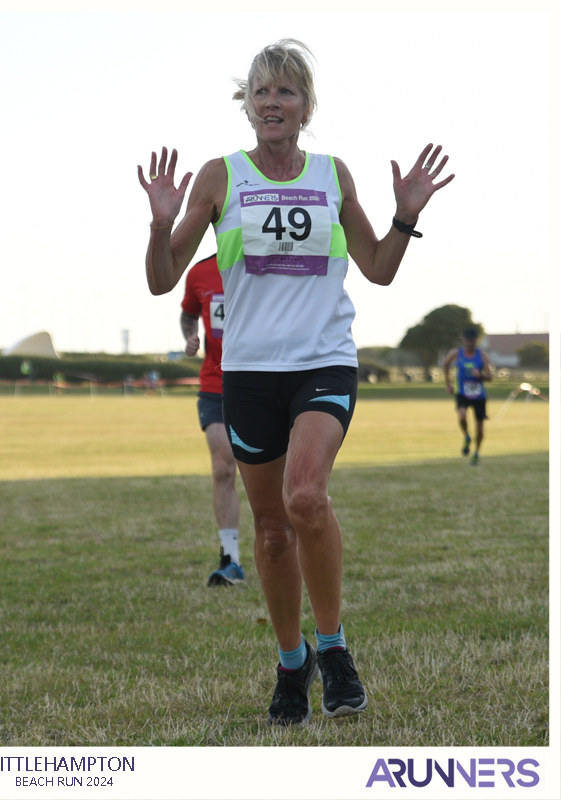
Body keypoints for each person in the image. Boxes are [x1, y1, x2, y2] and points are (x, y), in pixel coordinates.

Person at [138, 39, 454, 725]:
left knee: (306, 495)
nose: (272, 102)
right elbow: (164, 278)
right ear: (246, 105)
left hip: (323, 361)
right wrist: (161, 224)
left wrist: (406, 216)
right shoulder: (220, 178)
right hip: (249, 375)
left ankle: (335, 649)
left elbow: (378, 267)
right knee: (274, 532)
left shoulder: (332, 173)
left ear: (307, 105)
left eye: (286, 92)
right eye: (261, 92)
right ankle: (292, 662)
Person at [180, 253, 244, 586]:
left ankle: (283, 547)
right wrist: (190, 336)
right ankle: (230, 560)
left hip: (260, 381)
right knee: (223, 464)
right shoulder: (200, 272)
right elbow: (188, 314)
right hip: (214, 384)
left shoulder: (264, 260)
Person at [443, 327, 492, 465]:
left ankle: (476, 453)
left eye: (473, 340)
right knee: (462, 417)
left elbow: (490, 376)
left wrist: (481, 375)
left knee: (480, 428)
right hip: (462, 392)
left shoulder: (482, 355)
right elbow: (446, 365)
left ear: (476, 340)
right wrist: (448, 384)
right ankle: (467, 437)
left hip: (479, 395)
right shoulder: (456, 353)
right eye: (468, 340)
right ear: (463, 340)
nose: (470, 343)